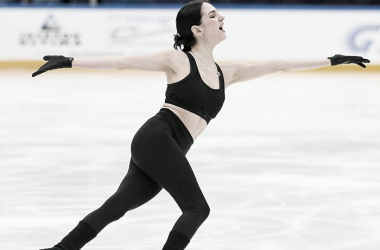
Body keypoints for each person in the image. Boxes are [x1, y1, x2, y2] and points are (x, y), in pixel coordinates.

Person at [32, 1, 370, 249]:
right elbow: (123, 62)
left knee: (117, 206)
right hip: (157, 136)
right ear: (197, 29)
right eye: (213, 15)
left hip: (169, 145)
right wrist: (71, 61)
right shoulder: (177, 59)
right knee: (197, 208)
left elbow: (277, 64)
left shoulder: (228, 72)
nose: (221, 18)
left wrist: (331, 59)